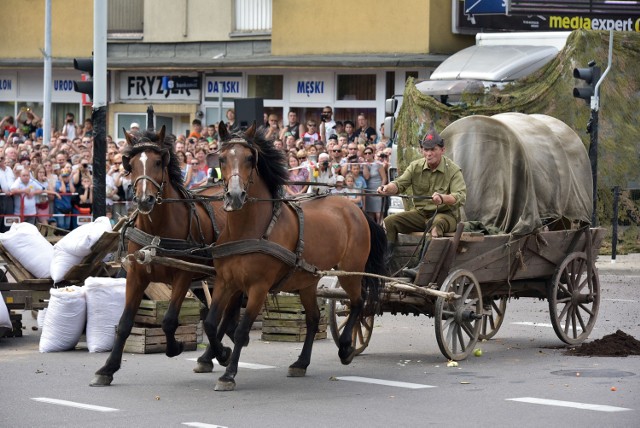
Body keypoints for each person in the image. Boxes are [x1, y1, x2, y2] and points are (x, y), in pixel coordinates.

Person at [377, 125, 466, 272]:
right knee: (389, 222)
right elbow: (399, 184)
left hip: (445, 216)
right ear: (421, 150)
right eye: (426, 150)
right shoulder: (415, 166)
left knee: (435, 225)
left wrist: (443, 198)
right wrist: (387, 188)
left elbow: (460, 196)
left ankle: (421, 267)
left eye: (433, 149)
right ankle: (386, 265)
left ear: (442, 150)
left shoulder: (453, 170)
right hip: (420, 214)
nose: (429, 153)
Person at [363, 146, 387, 225]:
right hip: (368, 191)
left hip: (377, 190)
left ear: (373, 153)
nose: (367, 155)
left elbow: (384, 178)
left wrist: (381, 188)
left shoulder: (378, 164)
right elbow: (367, 177)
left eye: (369, 153)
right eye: (365, 153)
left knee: (379, 214)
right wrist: (365, 165)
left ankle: (382, 231)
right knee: (370, 214)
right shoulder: (363, 164)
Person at [0, 156, 15, 232]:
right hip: (1, 198)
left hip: (10, 198)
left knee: (8, 220)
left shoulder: (9, 169)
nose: (0, 160)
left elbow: (13, 181)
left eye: (2, 158)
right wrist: (2, 191)